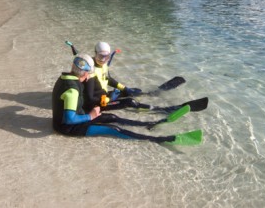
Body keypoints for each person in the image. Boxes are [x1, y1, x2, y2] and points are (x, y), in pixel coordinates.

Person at [52, 53, 185, 143]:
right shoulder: (72, 90)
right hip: (68, 127)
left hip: (79, 116)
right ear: (86, 73)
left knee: (112, 117)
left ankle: (147, 124)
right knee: (113, 129)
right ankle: (158, 140)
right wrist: (90, 116)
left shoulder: (64, 77)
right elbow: (69, 119)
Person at [83, 41, 142, 112]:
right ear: (95, 53)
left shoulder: (104, 65)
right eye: (100, 56)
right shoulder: (90, 70)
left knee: (135, 91)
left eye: (106, 57)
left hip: (104, 96)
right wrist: (110, 99)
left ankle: (151, 94)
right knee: (130, 101)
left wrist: (124, 88)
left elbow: (107, 79)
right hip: (96, 103)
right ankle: (154, 111)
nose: (103, 60)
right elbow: (89, 98)